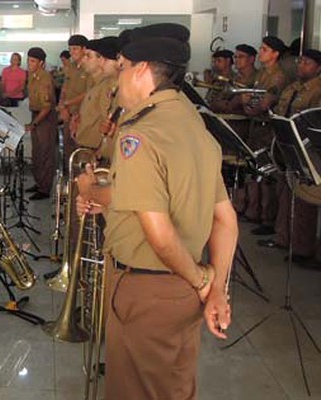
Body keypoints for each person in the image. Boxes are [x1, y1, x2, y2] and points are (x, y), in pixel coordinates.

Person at [76, 23, 237, 399]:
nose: (118, 80)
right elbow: (225, 219)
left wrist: (203, 282)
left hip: (147, 289)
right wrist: (216, 288)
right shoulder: (193, 123)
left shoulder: (140, 134)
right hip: (182, 291)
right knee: (174, 388)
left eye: (122, 68)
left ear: (143, 70)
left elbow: (160, 235)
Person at [257, 49, 321, 264]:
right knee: (285, 194)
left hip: (308, 152)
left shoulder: (318, 90)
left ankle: (303, 249)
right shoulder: (292, 87)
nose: (301, 66)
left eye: (307, 63)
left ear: (318, 68)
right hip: (285, 147)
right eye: (300, 61)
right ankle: (284, 238)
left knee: (305, 199)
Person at [242, 36, 290, 235]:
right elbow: (250, 97)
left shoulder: (278, 76)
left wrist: (250, 103)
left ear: (275, 54)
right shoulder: (262, 74)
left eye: (265, 49)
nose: (260, 52)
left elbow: (263, 103)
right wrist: (249, 103)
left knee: (268, 174)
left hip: (267, 129)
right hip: (256, 126)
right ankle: (257, 213)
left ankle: (268, 219)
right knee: (256, 171)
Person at [75, 36, 121, 157]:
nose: (83, 60)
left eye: (88, 56)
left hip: (97, 150)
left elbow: (107, 122)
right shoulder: (96, 83)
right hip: (89, 145)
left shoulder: (107, 86)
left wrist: (100, 151)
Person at [25, 47, 57, 200]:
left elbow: (47, 106)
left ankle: (45, 188)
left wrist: (34, 124)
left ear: (41, 63)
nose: (29, 64)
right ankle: (39, 182)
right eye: (28, 60)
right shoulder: (32, 76)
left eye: (32, 61)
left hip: (45, 118)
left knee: (45, 154)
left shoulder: (45, 78)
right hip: (36, 115)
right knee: (36, 153)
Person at [58, 34, 91, 170]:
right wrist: (62, 107)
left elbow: (88, 94)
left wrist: (67, 104)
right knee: (68, 151)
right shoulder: (71, 67)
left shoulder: (89, 67)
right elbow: (65, 88)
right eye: (70, 49)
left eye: (75, 49)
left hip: (82, 117)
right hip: (68, 115)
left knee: (81, 152)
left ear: (84, 49)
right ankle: (70, 185)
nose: (72, 52)